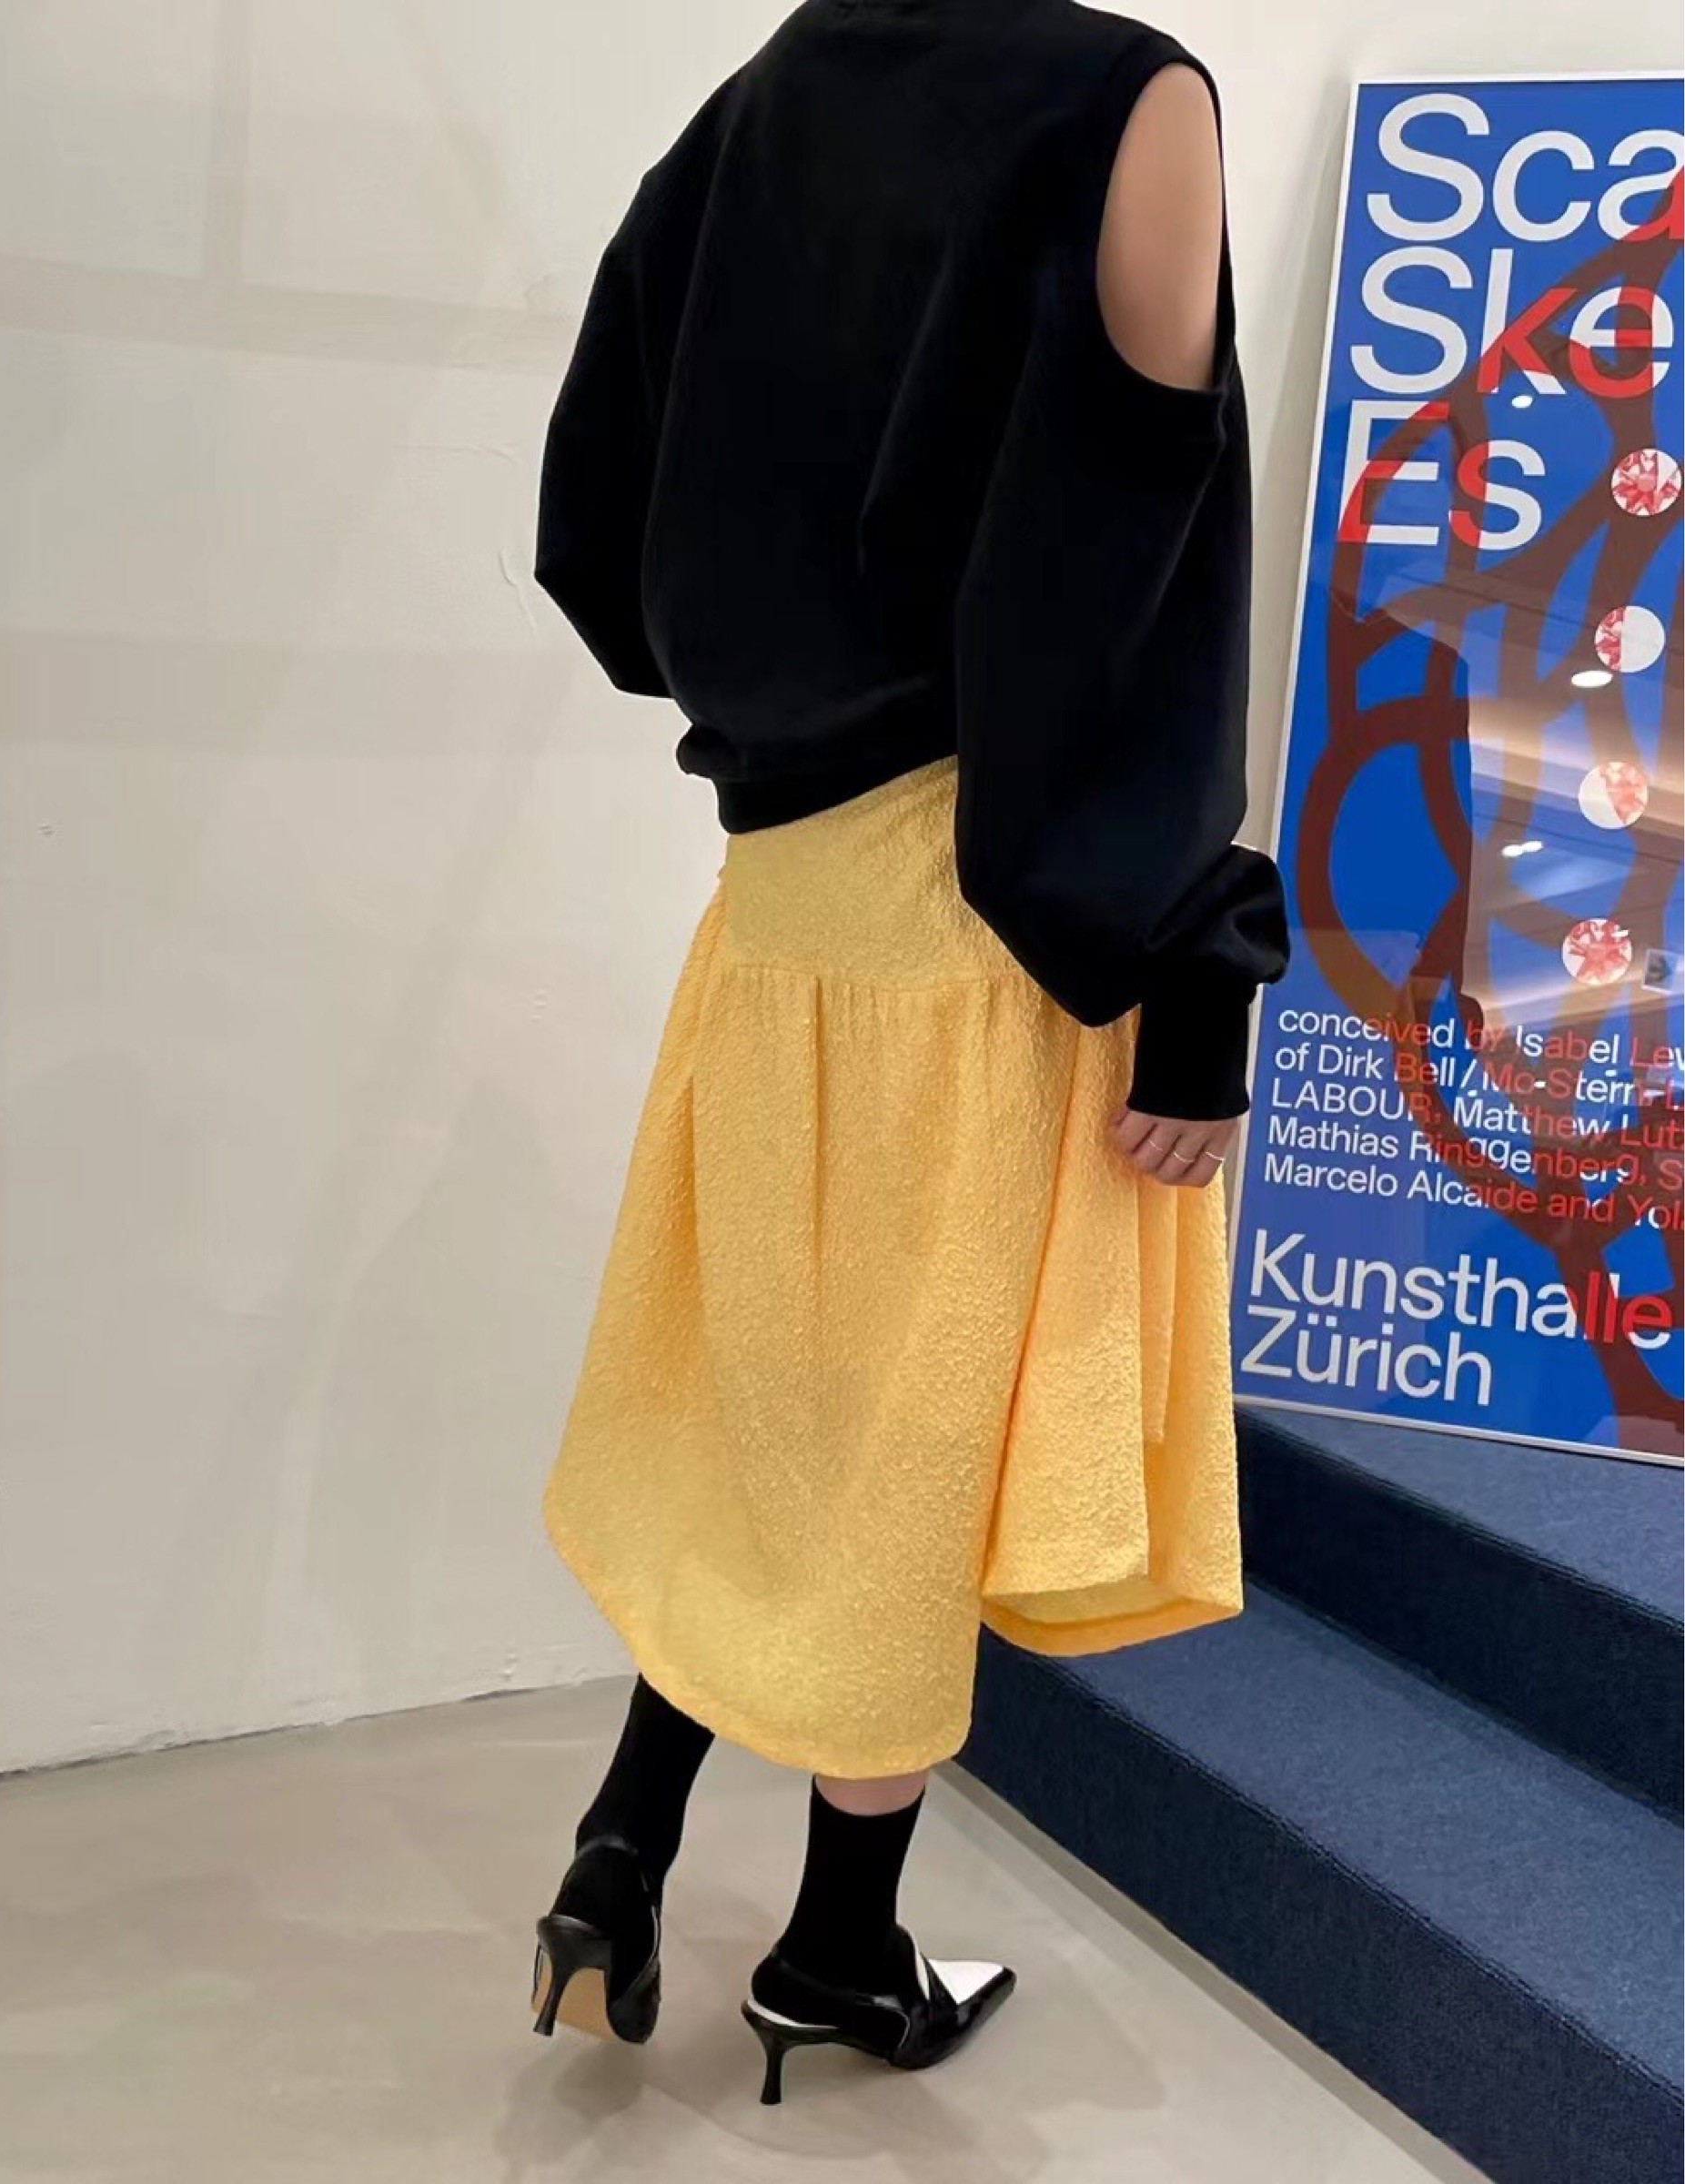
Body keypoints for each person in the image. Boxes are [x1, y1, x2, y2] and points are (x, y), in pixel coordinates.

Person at [530, 0, 1290, 2105]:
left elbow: (594, 512)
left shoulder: (752, 106)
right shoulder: (1126, 97)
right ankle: (837, 1951)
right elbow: (1135, 578)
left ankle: (622, 1843)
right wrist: (1194, 956)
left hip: (776, 904)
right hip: (978, 910)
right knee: (902, 1464)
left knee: (766, 1405)